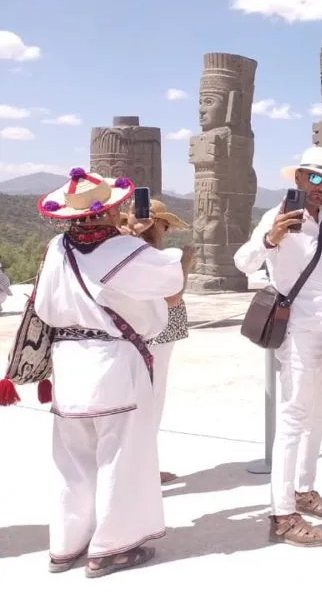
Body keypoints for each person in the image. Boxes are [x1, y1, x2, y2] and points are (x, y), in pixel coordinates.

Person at [21, 169, 185, 577]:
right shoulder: (125, 248)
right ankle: (111, 547)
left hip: (67, 362)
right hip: (113, 362)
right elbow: (173, 282)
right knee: (121, 458)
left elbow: (43, 305)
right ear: (111, 210)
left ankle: (65, 545)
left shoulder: (56, 248)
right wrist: (138, 239)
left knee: (72, 461)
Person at [234, 146, 322, 546]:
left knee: (319, 413)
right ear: (299, 178)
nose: (321, 186)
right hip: (298, 331)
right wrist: (271, 239)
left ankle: (304, 488)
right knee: (293, 417)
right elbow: (243, 262)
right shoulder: (277, 216)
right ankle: (282, 513)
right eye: (314, 178)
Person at [123, 199, 194, 485]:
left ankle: (143, 465)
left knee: (145, 400)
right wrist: (185, 264)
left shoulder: (127, 250)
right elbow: (172, 297)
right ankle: (142, 469)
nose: (166, 231)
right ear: (156, 224)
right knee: (150, 401)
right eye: (165, 225)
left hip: (147, 332)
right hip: (156, 333)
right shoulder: (150, 255)